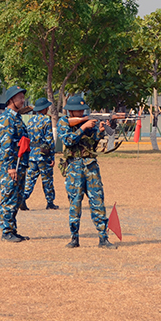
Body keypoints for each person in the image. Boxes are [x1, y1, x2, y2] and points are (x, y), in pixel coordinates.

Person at [57, 95, 116, 248]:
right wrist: (83, 127)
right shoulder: (64, 122)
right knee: (75, 203)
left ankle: (103, 238)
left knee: (97, 202)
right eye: (79, 110)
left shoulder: (89, 122)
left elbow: (93, 142)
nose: (82, 112)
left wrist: (100, 131)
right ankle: (74, 238)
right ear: (71, 112)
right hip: (74, 168)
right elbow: (68, 140)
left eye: (83, 110)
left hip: (91, 166)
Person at [0, 86, 30, 242]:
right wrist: (10, 167)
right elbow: (6, 145)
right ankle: (6, 231)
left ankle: (12, 229)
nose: (22, 101)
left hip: (20, 163)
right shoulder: (6, 118)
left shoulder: (17, 117)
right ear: (11, 100)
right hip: (10, 165)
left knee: (17, 198)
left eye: (23, 98)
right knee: (9, 197)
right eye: (19, 98)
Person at [20, 97, 59, 211]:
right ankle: (50, 202)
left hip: (32, 154)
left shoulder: (30, 121)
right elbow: (49, 140)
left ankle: (23, 198)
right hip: (43, 155)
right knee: (47, 180)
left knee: (30, 179)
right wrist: (52, 156)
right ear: (45, 108)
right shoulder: (46, 120)